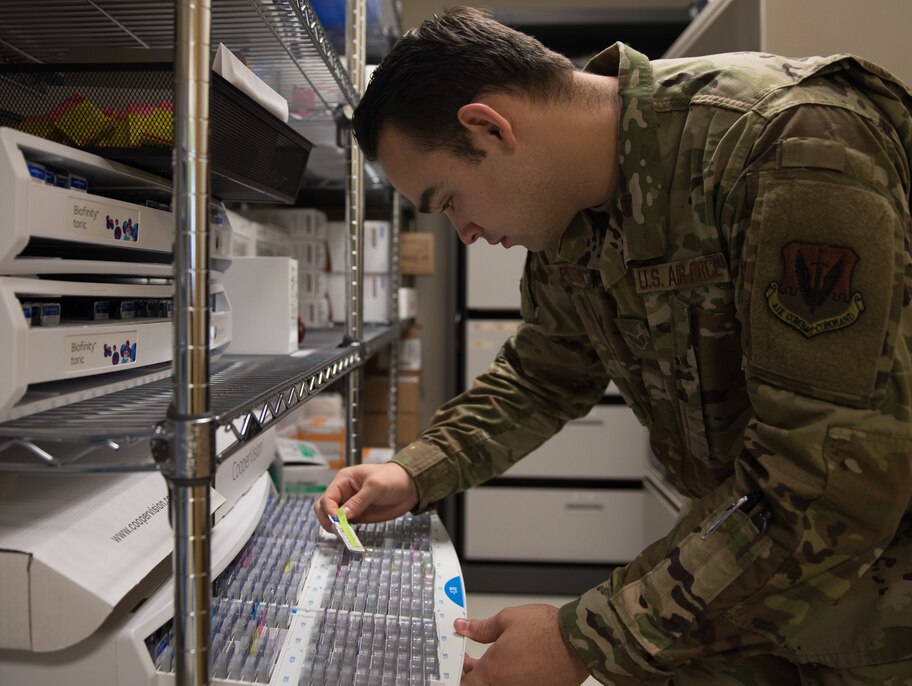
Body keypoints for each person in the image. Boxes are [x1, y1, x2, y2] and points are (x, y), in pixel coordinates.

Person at [314, 6, 912, 685]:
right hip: (742, 579)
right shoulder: (572, 218)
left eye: (449, 199)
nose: (466, 234)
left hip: (875, 612)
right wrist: (415, 472)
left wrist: (580, 641)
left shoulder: (788, 142)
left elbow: (828, 478)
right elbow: (541, 377)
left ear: (489, 126)